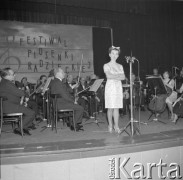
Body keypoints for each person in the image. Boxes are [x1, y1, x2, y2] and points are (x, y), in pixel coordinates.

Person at [0, 68, 35, 136]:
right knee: (31, 113)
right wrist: (26, 94)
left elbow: (15, 93)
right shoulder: (7, 83)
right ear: (7, 75)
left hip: (9, 105)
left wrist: (22, 99)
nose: (14, 75)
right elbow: (19, 93)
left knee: (29, 109)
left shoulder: (4, 82)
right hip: (9, 107)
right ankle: (19, 129)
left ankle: (24, 127)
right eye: (13, 74)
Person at [103, 46, 126, 133]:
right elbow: (108, 76)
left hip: (118, 88)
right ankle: (110, 125)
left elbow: (123, 77)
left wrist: (114, 76)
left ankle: (116, 126)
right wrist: (118, 76)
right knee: (110, 108)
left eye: (116, 54)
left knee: (116, 107)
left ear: (118, 56)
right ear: (109, 54)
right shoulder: (106, 65)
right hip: (110, 88)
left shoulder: (120, 66)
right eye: (113, 53)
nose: (114, 55)